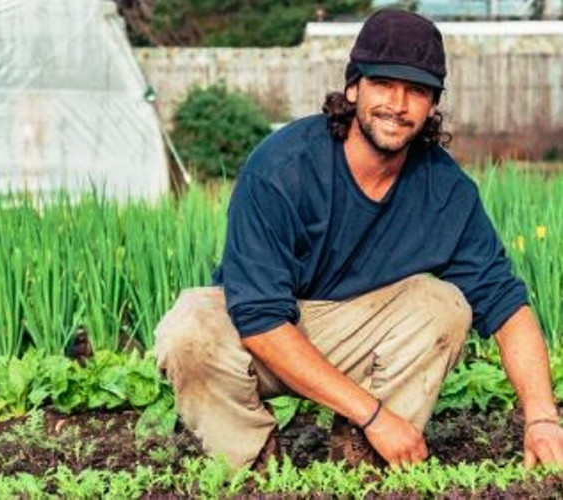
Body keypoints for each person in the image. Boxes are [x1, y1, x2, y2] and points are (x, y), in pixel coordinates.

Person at [154, 9, 563, 470]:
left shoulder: (444, 189)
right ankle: (253, 458)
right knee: (187, 328)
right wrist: (373, 412)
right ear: (353, 87)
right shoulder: (281, 168)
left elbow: (505, 304)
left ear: (432, 104)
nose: (399, 104)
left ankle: (361, 452)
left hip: (352, 334)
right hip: (262, 336)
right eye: (384, 84)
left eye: (417, 91)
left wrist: (543, 419)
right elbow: (261, 320)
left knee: (445, 304)